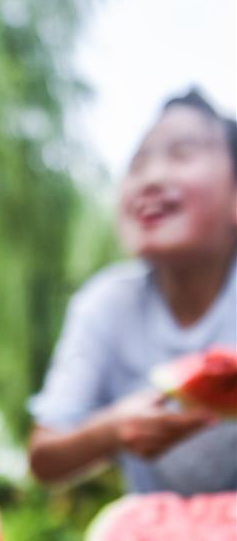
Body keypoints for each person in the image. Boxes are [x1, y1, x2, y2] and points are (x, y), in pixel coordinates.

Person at [29, 89, 237, 494]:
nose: (151, 177)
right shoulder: (106, 305)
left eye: (181, 154)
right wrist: (110, 430)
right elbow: (43, 456)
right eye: (138, 163)